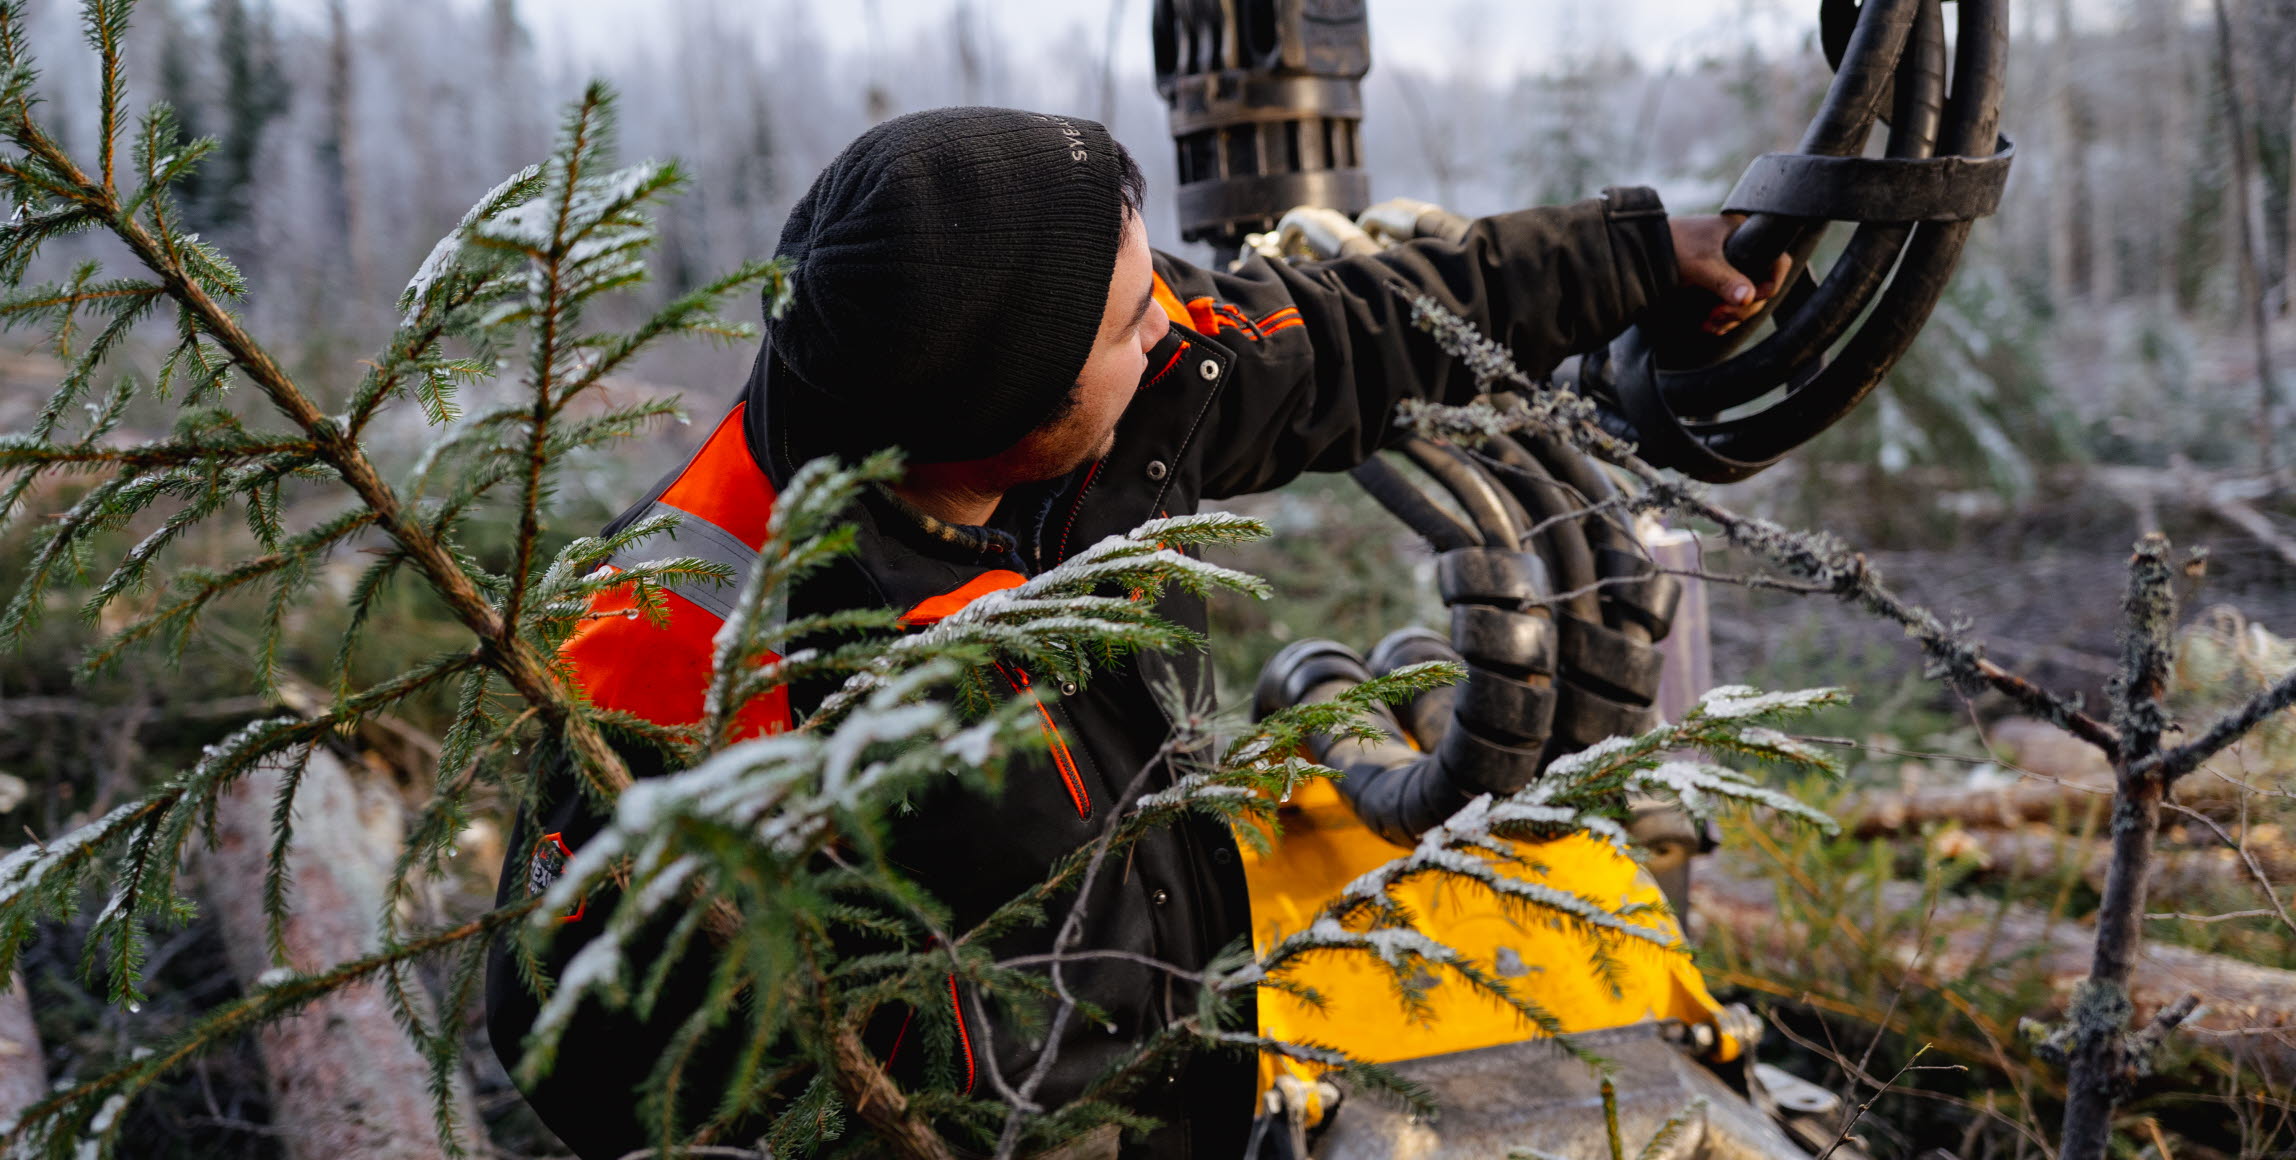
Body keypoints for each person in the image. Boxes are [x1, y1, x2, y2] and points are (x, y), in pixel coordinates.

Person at [485, 106, 1783, 1159]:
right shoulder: (749, 680)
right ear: (1003, 417)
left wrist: (1640, 253)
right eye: (1130, 316)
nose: (1172, 318)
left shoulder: (1011, 380)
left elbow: (1338, 327)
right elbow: (589, 1048)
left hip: (1164, 971)